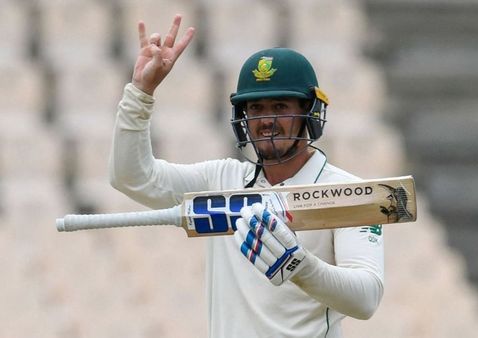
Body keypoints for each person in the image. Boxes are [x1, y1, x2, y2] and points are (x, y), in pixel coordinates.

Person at [110, 14, 384, 338]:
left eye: (280, 106)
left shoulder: (348, 192)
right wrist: (140, 93)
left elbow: (366, 299)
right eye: (255, 109)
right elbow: (132, 178)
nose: (266, 120)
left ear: (310, 112)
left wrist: (300, 267)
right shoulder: (221, 181)